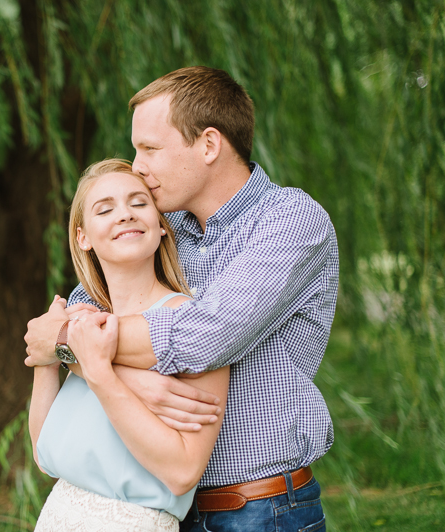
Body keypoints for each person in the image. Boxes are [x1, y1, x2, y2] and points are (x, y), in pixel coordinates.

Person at [25, 66, 337, 532]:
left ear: (209, 145)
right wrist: (122, 374)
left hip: (258, 510)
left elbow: (202, 337)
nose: (137, 166)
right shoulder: (167, 233)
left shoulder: (289, 222)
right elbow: (83, 311)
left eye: (149, 148)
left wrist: (67, 341)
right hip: (161, 509)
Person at [29, 159, 229, 531]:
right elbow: (46, 454)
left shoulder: (189, 326)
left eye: (139, 203)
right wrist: (47, 355)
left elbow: (184, 471)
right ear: (82, 237)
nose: (125, 215)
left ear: (162, 226)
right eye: (105, 209)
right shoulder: (79, 323)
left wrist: (101, 373)